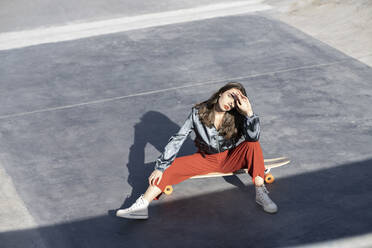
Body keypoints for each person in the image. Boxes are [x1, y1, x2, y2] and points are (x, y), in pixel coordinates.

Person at [116, 82, 278, 219]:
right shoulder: (197, 113)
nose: (232, 102)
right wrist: (160, 167)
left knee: (253, 145)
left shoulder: (239, 116)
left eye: (236, 100)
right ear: (221, 92)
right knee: (171, 167)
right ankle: (141, 207)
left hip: (230, 157)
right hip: (205, 159)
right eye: (230, 95)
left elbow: (254, 137)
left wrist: (249, 113)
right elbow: (178, 139)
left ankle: (260, 193)